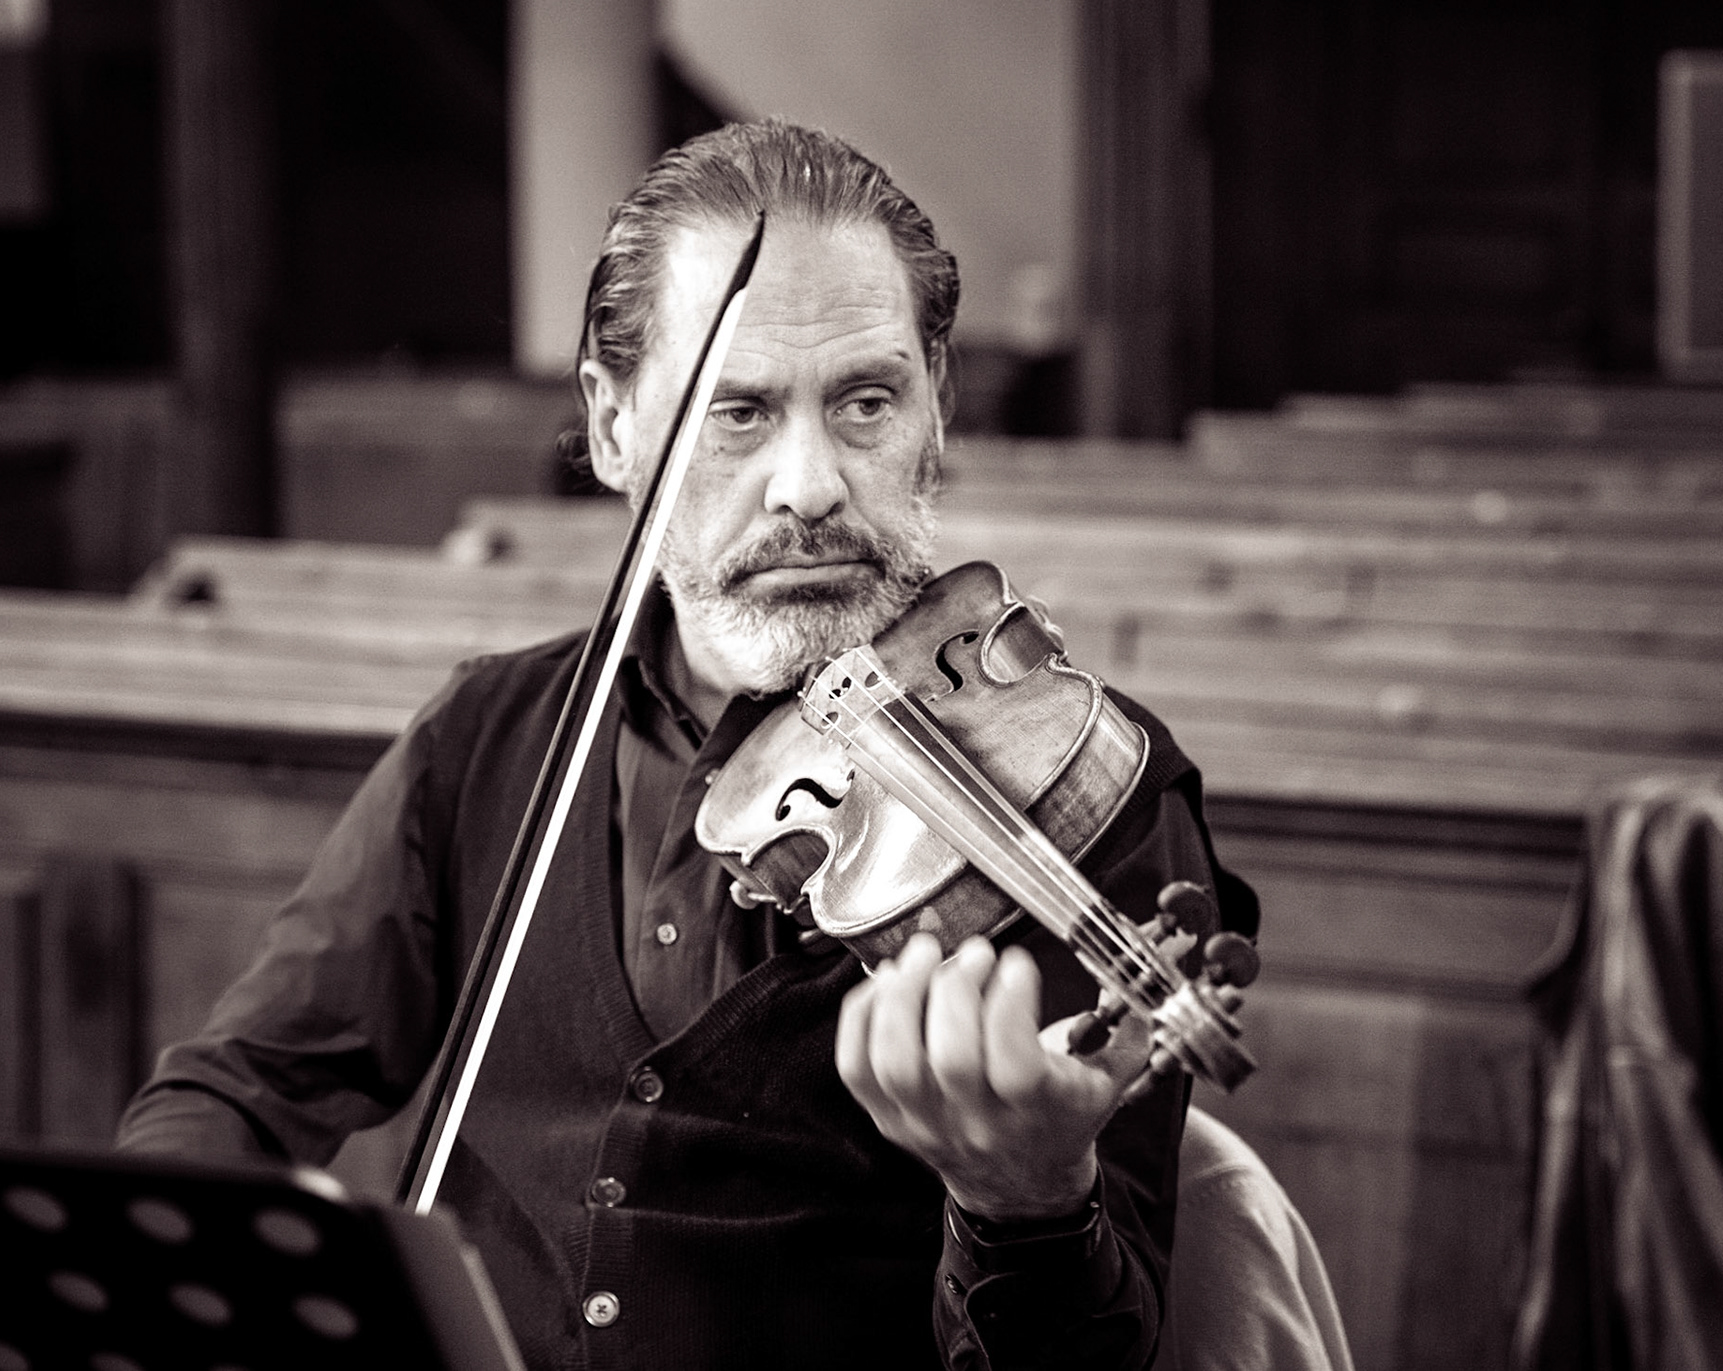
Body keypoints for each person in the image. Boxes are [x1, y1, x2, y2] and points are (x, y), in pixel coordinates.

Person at [117, 120, 1260, 1371]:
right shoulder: (491, 735)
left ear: (936, 408)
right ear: (615, 429)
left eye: (866, 402)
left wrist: (1026, 1203)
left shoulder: (1085, 797)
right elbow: (242, 1085)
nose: (809, 484)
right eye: (739, 413)